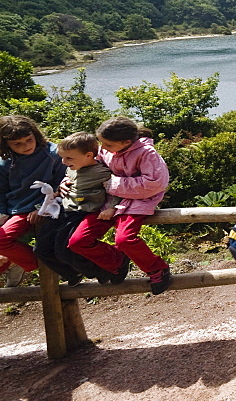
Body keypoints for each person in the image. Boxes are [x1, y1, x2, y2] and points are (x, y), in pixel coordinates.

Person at [67, 117, 172, 294]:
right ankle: (117, 261)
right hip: (106, 201)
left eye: (107, 144)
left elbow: (155, 182)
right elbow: (86, 166)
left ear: (126, 142)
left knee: (124, 239)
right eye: (102, 143)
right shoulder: (108, 150)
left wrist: (112, 185)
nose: (102, 148)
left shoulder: (147, 153)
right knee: (78, 241)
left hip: (137, 201)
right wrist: (67, 181)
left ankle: (157, 268)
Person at [34, 132, 112, 285]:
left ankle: (99, 271)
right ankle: (72, 273)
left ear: (88, 155)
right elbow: (69, 180)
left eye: (68, 158)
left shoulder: (102, 172)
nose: (63, 162)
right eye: (62, 157)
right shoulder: (73, 167)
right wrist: (60, 186)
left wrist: (111, 207)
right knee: (40, 249)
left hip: (80, 211)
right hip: (64, 209)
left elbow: (115, 191)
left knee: (64, 249)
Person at [0, 116, 66, 286]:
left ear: (35, 134)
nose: (26, 146)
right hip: (14, 210)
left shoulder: (54, 154)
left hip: (43, 208)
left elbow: (62, 185)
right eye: (18, 144)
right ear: (6, 144)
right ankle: (16, 263)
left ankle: (46, 264)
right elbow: (2, 192)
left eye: (29, 140)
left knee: (1, 240)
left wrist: (41, 208)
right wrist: (2, 214)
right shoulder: (5, 162)